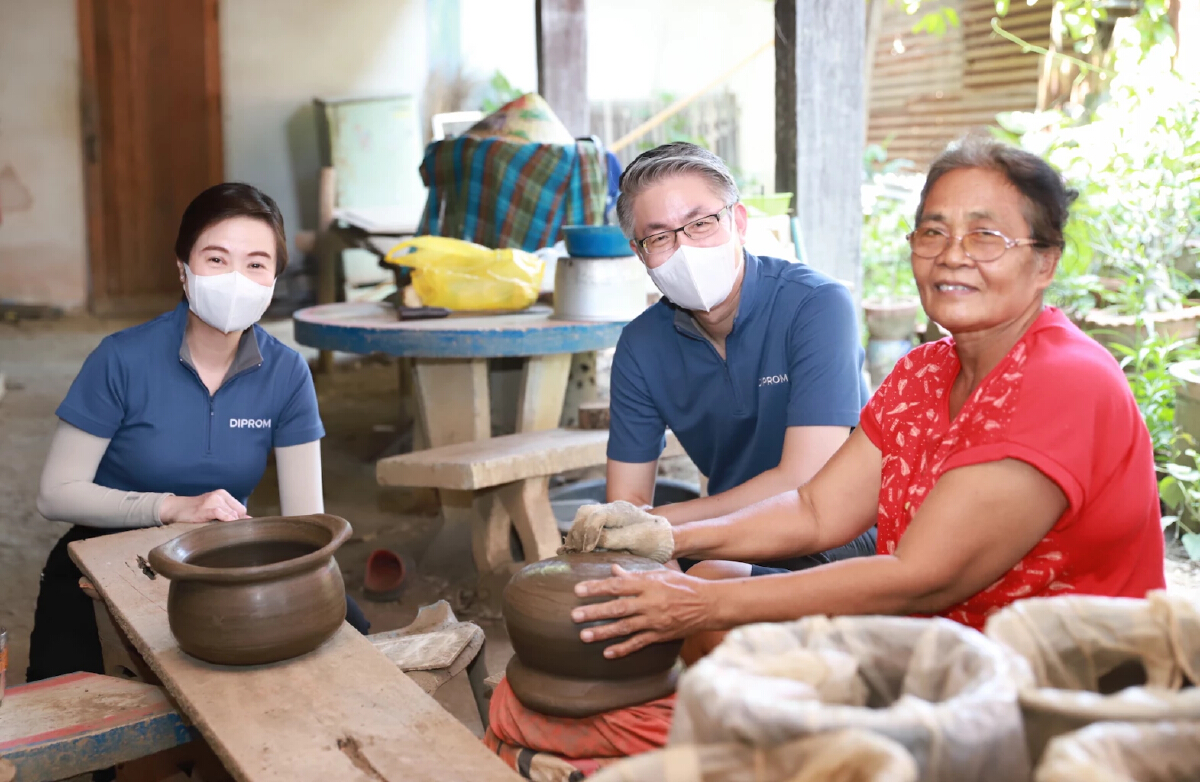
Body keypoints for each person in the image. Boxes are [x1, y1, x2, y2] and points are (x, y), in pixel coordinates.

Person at [565, 136, 1166, 660]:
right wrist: (666, 538)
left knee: (720, 634)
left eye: (984, 235)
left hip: (1061, 688)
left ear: (1044, 262)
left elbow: (920, 578)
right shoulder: (921, 374)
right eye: (934, 231)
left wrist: (705, 601)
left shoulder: (1065, 379)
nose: (952, 253)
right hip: (934, 656)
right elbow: (816, 510)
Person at [27, 183, 368, 682]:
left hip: (217, 556)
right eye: (215, 259)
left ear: (274, 278)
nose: (236, 279)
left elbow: (306, 524)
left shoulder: (288, 372)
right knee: (75, 708)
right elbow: (55, 495)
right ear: (183, 271)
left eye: (255, 264)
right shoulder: (120, 359)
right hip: (104, 550)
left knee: (351, 641)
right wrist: (172, 507)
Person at [606, 142, 876, 572]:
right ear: (641, 254)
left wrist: (657, 529)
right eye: (659, 236)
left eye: (702, 222)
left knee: (714, 577)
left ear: (739, 221)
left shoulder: (816, 304)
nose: (685, 248)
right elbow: (627, 502)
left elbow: (803, 479)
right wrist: (653, 558)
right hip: (724, 533)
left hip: (841, 530)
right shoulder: (641, 346)